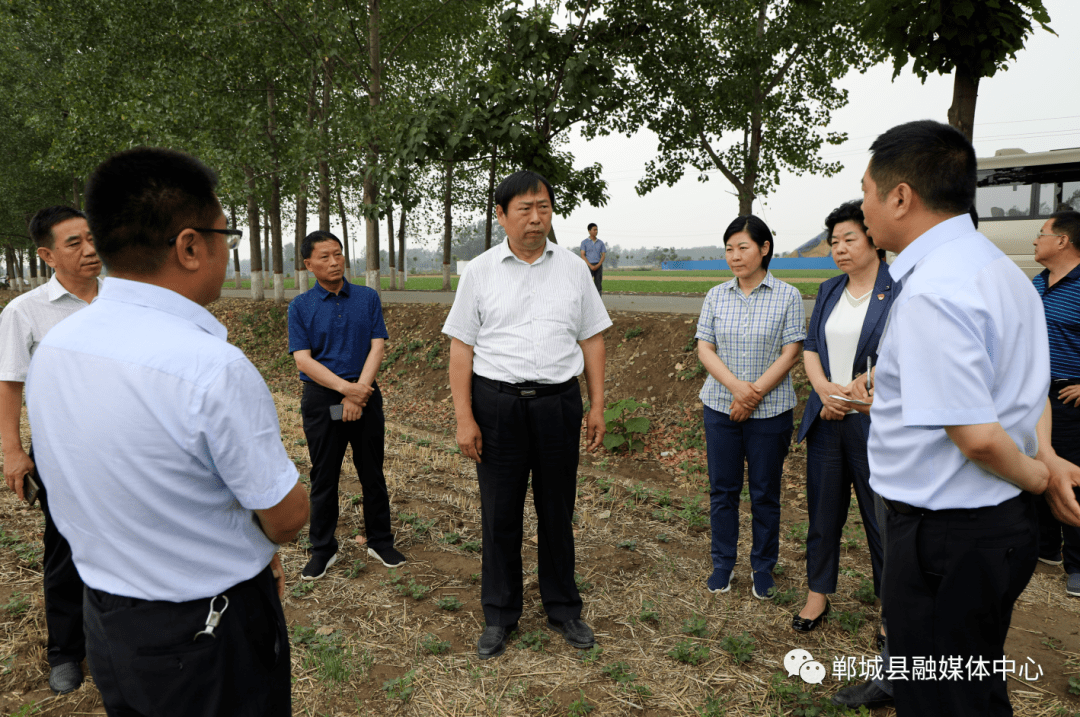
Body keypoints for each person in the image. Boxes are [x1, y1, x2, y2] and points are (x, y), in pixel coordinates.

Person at [26, 147, 309, 716]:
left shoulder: (58, 347)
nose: (228, 252)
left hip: (109, 622)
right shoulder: (210, 367)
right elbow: (285, 517)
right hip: (207, 635)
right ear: (188, 245)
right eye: (225, 235)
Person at [831, 120, 1074, 717]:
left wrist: (1044, 480)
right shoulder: (999, 273)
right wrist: (1044, 458)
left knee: (941, 699)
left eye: (866, 192)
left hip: (948, 536)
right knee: (971, 686)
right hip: (990, 528)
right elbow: (1023, 391)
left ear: (900, 196)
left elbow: (978, 436)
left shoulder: (935, 291)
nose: (863, 206)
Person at [443, 170, 611, 660]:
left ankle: (563, 608)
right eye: (524, 209)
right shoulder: (479, 271)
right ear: (501, 216)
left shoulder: (575, 269)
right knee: (499, 513)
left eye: (544, 207)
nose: (536, 218)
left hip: (559, 404)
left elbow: (593, 338)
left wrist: (597, 404)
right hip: (497, 407)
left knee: (557, 509)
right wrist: (464, 417)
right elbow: (461, 350)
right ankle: (499, 613)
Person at [0, 205, 100, 694]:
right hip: (63, 451)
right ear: (46, 255)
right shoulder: (25, 311)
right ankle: (66, 651)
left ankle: (115, 645)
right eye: (74, 243)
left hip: (127, 446)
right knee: (65, 549)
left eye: (91, 238)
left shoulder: (123, 301)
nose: (89, 249)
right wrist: (13, 452)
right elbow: (10, 385)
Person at [793, 200, 891, 633]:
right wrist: (821, 388)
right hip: (828, 416)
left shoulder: (899, 288)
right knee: (823, 510)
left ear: (873, 239)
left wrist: (866, 386)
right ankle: (817, 594)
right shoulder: (831, 288)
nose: (840, 248)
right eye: (834, 242)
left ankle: (892, 607)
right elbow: (811, 344)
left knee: (882, 516)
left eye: (849, 238)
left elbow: (908, 352)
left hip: (874, 420)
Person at [696, 215, 805, 599]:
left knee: (765, 492)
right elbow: (704, 347)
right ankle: (722, 564)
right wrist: (736, 389)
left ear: (764, 249)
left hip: (770, 411)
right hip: (720, 408)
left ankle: (763, 566)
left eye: (743, 247)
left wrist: (753, 393)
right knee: (723, 490)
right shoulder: (716, 295)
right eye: (729, 248)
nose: (735, 256)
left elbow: (791, 351)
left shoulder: (788, 295)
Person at [288, 230, 404, 579]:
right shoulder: (300, 307)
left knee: (372, 472)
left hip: (365, 394)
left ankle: (379, 539)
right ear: (308, 264)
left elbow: (377, 345)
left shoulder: (367, 298)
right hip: (324, 401)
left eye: (338, 253)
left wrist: (360, 390)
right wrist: (346, 392)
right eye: (324, 256)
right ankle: (323, 548)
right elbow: (303, 360)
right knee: (324, 476)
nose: (334, 261)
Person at [1031, 209, 1080, 594]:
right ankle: (1046, 548)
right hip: (1034, 394)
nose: (1035, 239)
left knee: (1070, 475)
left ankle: (1077, 564)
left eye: (1042, 232)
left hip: (1068, 398)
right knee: (1038, 466)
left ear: (1062, 240)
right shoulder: (1037, 282)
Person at [579, 223, 606, 294]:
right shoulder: (584, 242)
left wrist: (598, 265)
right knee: (586, 285)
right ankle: (587, 303)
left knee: (598, 285)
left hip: (598, 266)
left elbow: (603, 255)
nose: (596, 231)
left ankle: (598, 303)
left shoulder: (601, 243)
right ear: (589, 231)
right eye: (594, 230)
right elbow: (582, 255)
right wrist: (590, 266)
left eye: (597, 230)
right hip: (588, 266)